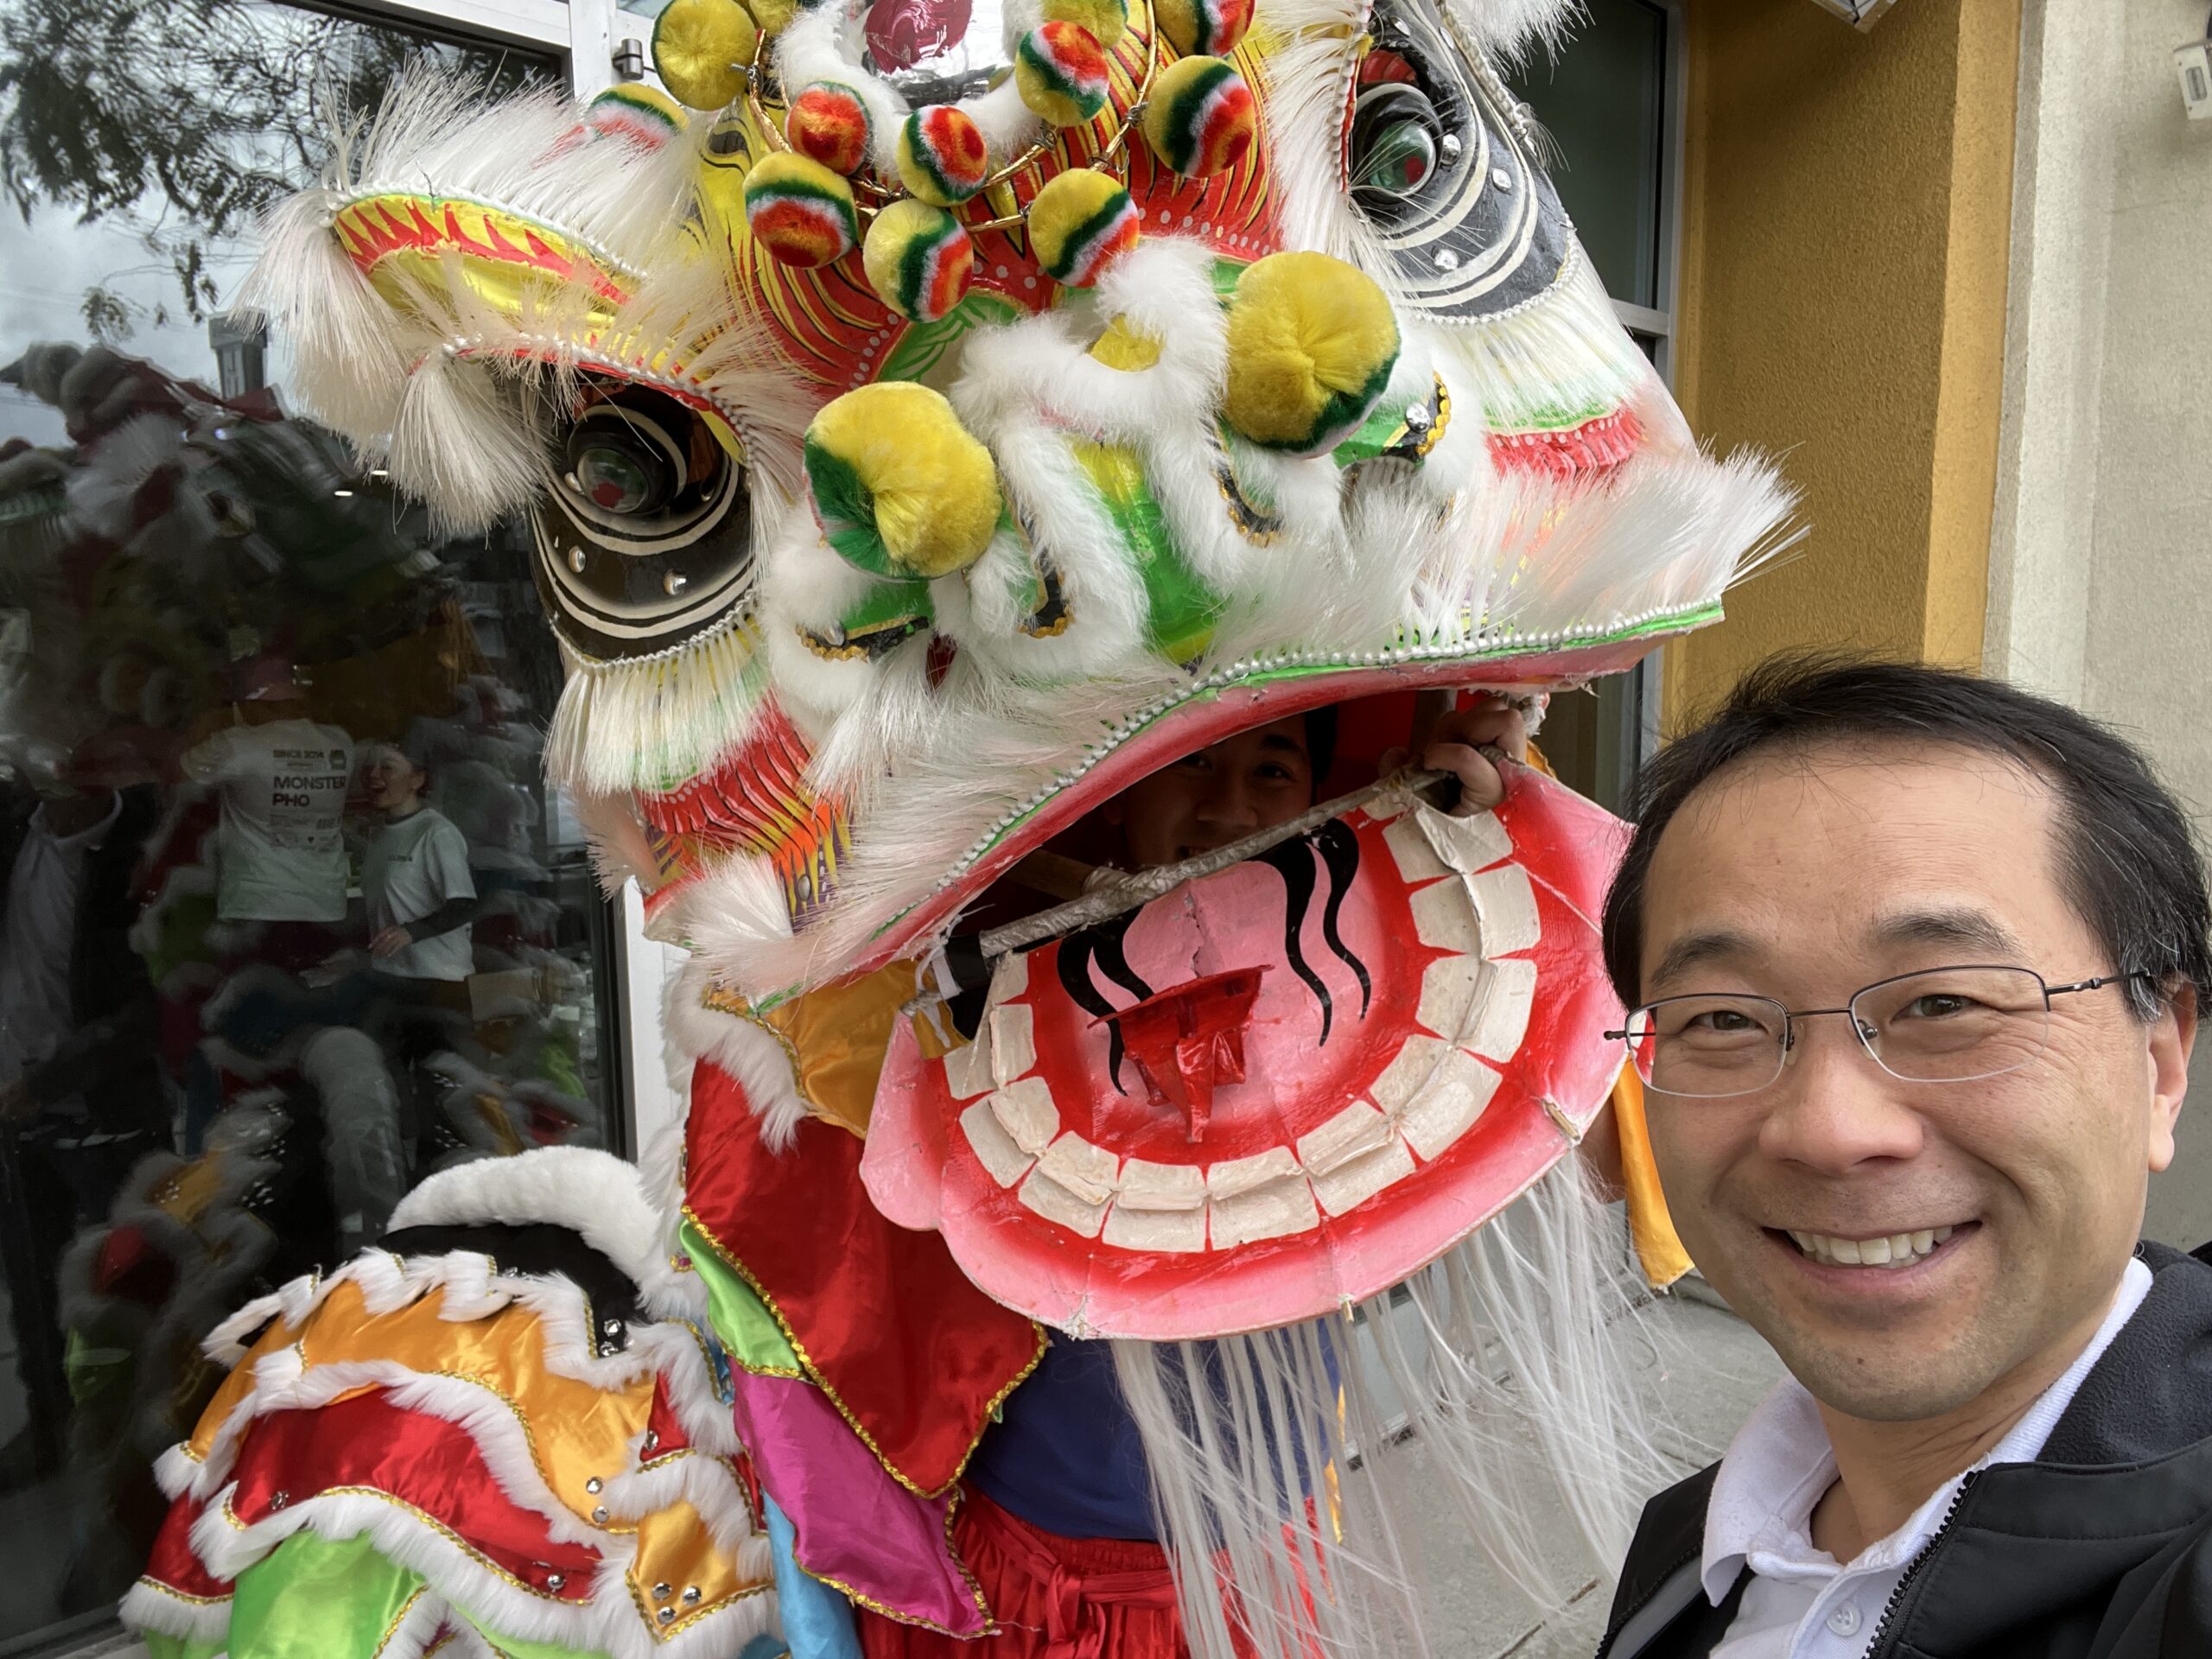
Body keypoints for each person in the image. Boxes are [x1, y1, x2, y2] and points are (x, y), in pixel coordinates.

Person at [1593, 657, 2212, 1659]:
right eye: (1721, 1018)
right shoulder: (1688, 1553)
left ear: (2159, 1060)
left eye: (1943, 1004)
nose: (1828, 1129)